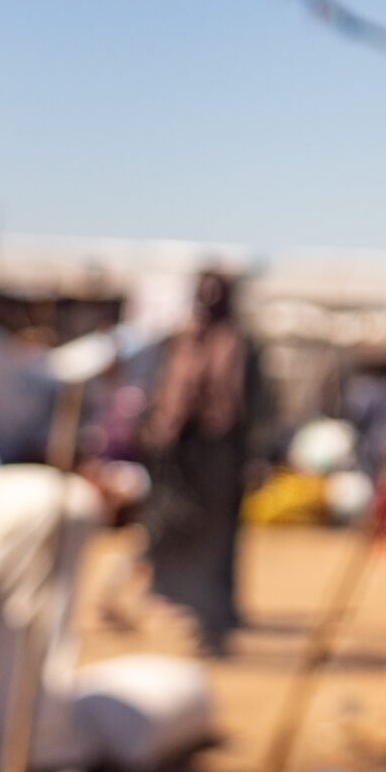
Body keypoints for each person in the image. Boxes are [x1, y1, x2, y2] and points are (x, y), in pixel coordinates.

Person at [141, 269, 261, 658]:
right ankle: (185, 607)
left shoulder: (242, 346)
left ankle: (214, 622)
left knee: (217, 542)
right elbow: (165, 394)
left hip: (221, 458)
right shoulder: (181, 342)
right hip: (180, 456)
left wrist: (255, 457)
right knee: (176, 532)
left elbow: (252, 408)